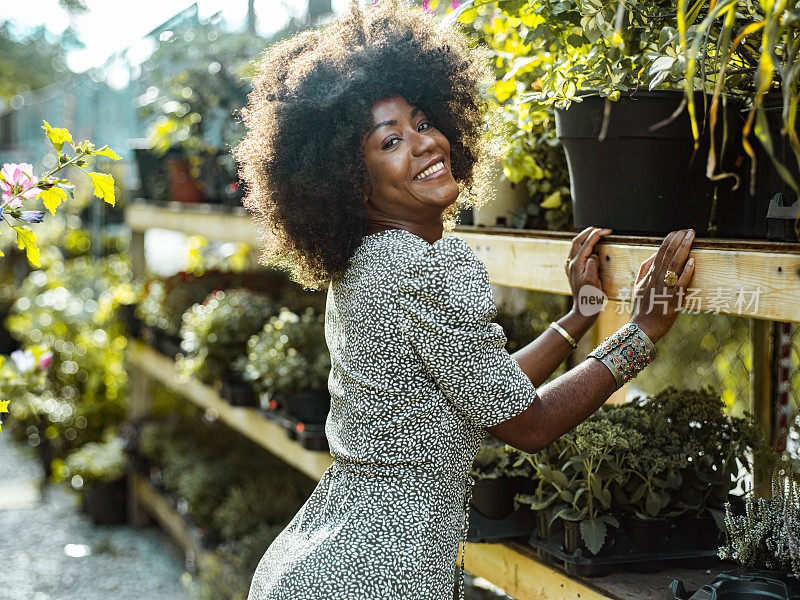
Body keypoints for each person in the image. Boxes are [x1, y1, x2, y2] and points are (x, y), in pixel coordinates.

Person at [234, 2, 696, 599]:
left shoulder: (370, 260)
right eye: (390, 141)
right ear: (349, 180)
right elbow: (524, 425)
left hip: (328, 558)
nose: (424, 144)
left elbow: (477, 393)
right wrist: (642, 334)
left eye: (424, 123)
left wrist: (578, 318)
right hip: (377, 576)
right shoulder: (416, 268)